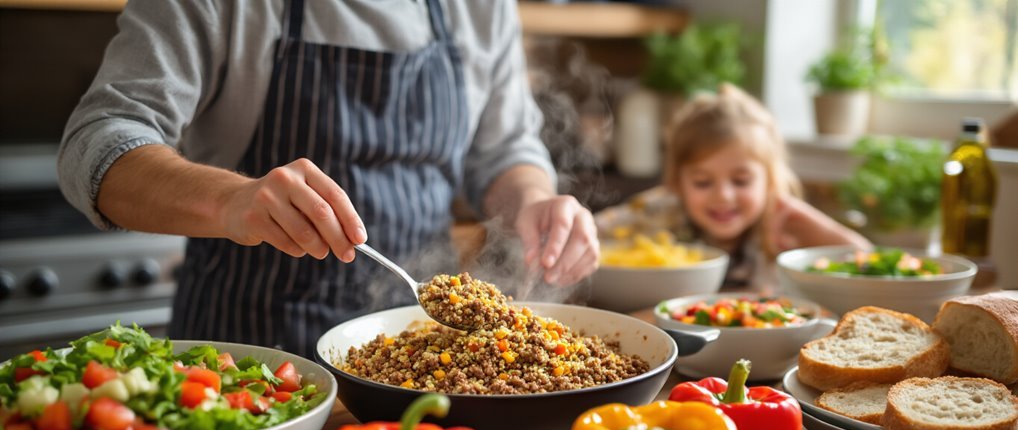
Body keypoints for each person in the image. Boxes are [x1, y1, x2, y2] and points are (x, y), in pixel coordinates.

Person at [58, 0, 598, 358]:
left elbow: (505, 148)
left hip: (421, 346)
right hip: (251, 352)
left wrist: (532, 200)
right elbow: (98, 142)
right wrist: (231, 199)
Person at [597, 84, 870, 290]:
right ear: (676, 184)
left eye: (741, 181)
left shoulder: (783, 226)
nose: (723, 196)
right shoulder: (659, 209)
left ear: (771, 183)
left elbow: (868, 261)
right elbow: (593, 230)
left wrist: (817, 226)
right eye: (702, 182)